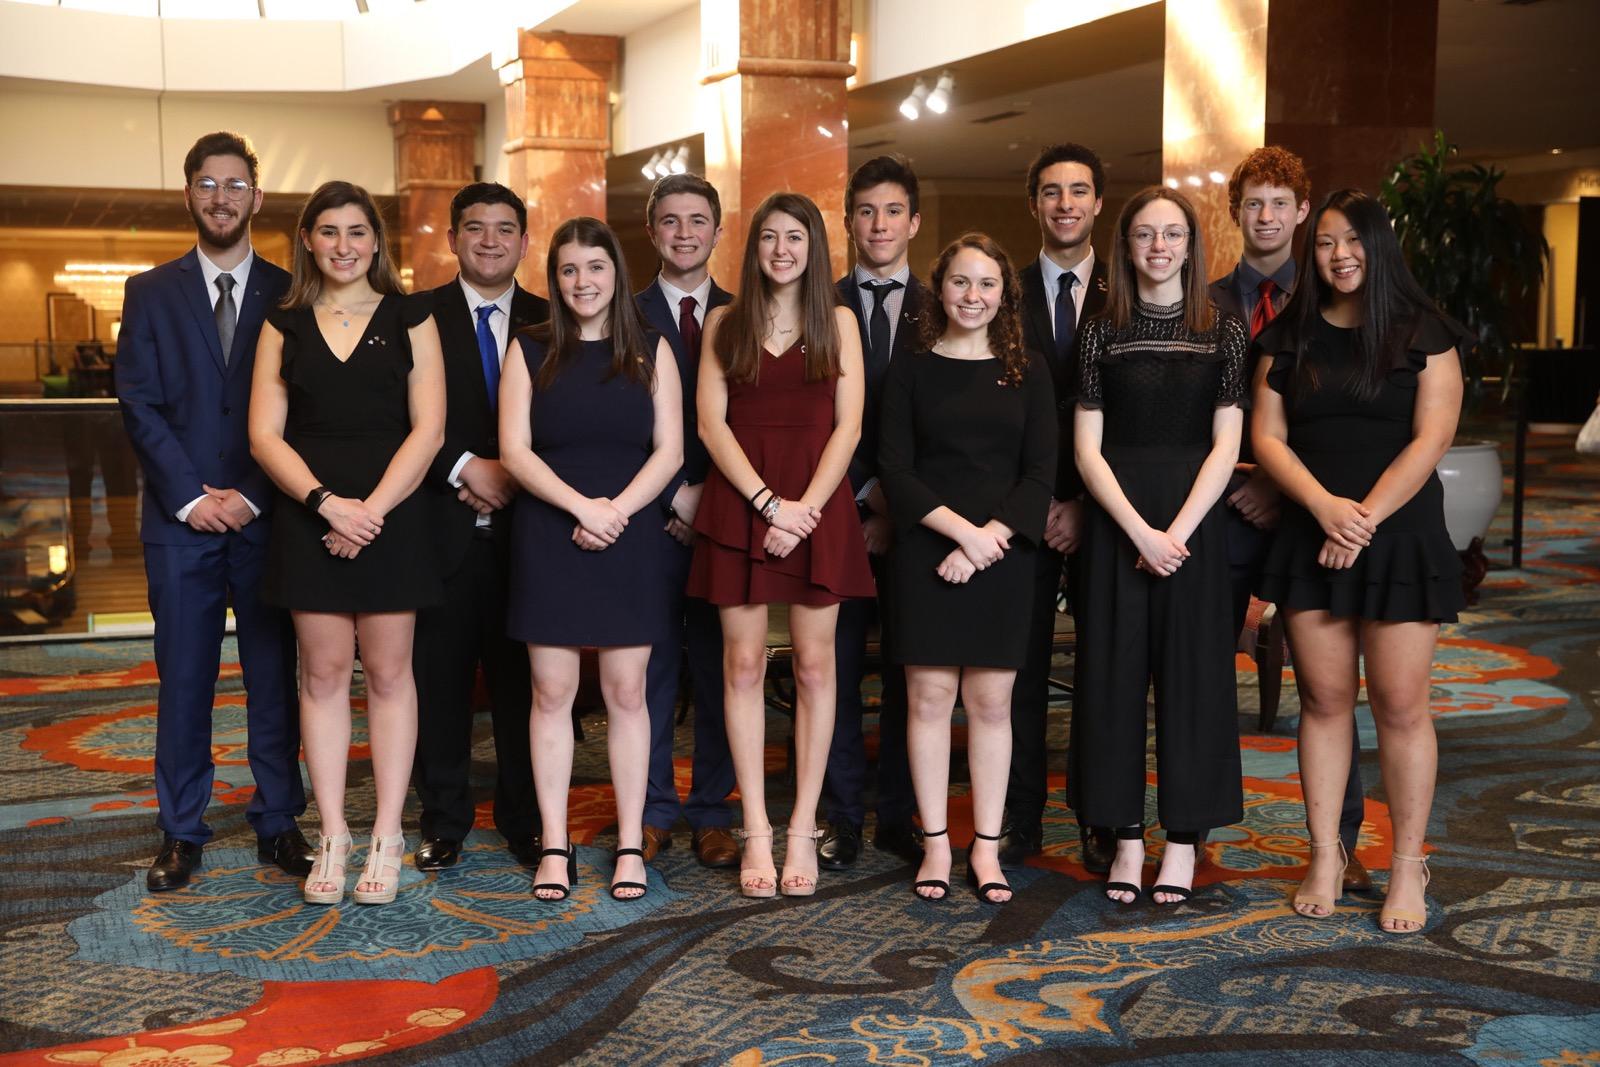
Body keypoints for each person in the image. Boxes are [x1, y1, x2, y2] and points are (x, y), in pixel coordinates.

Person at [1253, 188, 1467, 934]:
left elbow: (1432, 437)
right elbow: (1267, 437)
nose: (1339, 255)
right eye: (1325, 242)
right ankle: (1326, 855)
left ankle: (1407, 863)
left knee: (1401, 706)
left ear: (1379, 246)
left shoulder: (1425, 331)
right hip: (1312, 532)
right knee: (1324, 701)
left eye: (1353, 241)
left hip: (1398, 537)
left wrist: (1361, 519)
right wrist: (1325, 508)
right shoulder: (1290, 334)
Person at [116, 131, 312, 892]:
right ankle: (181, 830)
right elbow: (138, 403)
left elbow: (306, 409)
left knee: (275, 675)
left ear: (256, 197)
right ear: (188, 194)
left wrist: (256, 493)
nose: (221, 198)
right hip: (180, 523)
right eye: (207, 184)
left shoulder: (292, 292)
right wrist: (193, 497)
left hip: (268, 518)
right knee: (184, 680)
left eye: (235, 185)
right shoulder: (149, 292)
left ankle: (279, 819)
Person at [249, 180, 446, 906]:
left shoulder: (412, 315)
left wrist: (370, 514)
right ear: (307, 240)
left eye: (357, 231)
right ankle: (333, 832)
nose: (343, 245)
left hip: (393, 517)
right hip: (312, 516)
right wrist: (329, 506)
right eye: (328, 231)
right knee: (324, 676)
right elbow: (264, 435)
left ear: (376, 241)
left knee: (390, 676)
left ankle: (388, 834)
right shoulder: (283, 324)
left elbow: (429, 429)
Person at [688, 191, 875, 898]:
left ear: (814, 246)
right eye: (769, 237)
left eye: (795, 237)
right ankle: (756, 829)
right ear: (754, 246)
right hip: (741, 504)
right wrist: (768, 504)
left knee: (817, 668)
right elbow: (711, 424)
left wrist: (804, 512)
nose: (781, 250)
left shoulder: (840, 322)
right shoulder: (725, 321)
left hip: (817, 505)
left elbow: (849, 427)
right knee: (740, 665)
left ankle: (801, 827)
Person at [1069, 186, 1248, 906]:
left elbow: (1227, 444)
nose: (1159, 247)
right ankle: (1124, 838)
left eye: (1172, 234)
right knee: (1111, 679)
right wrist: (1139, 531)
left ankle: (1181, 841)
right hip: (1117, 520)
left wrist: (1176, 532)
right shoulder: (1100, 330)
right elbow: (1086, 449)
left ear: (1191, 244)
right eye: (1145, 234)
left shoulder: (1223, 329)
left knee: (1194, 680)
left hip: (1194, 519)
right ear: (1126, 244)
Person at [499, 217, 683, 903]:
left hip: (629, 532)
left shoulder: (652, 348)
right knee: (550, 692)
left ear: (617, 273)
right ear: (555, 278)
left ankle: (631, 842)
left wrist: (616, 512)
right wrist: (582, 508)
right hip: (551, 529)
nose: (583, 281)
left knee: (628, 693)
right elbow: (514, 450)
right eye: (569, 269)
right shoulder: (530, 347)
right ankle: (555, 844)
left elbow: (669, 449)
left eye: (595, 267)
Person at [1210, 147, 1371, 894]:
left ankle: (1340, 843)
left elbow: (1351, 419)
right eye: (1254, 203)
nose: (1267, 216)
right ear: (1235, 212)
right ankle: (1194, 830)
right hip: (1221, 513)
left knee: (1329, 688)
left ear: (1302, 212)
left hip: (1313, 515)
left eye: (1280, 203)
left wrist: (1282, 488)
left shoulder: (1338, 295)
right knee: (1200, 673)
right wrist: (1242, 483)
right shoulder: (1204, 301)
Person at [878, 233, 1057, 905]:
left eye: (987, 284)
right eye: (960, 282)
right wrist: (962, 535)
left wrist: (989, 539)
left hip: (1004, 556)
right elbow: (895, 470)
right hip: (926, 551)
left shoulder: (1030, 369)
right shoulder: (910, 368)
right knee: (926, 701)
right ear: (940, 289)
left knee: (990, 704)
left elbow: (1041, 471)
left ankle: (984, 846)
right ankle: (934, 843)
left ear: (1004, 295)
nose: (972, 295)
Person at [411, 183, 550, 873]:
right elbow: (396, 415)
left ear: (525, 241)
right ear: (452, 238)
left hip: (534, 535)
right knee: (440, 685)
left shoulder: (555, 317)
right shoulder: (417, 317)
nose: (489, 241)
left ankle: (528, 821)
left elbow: (572, 421)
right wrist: (465, 467)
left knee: (527, 686)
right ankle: (443, 820)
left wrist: (515, 475)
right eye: (475, 227)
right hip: (441, 529)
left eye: (504, 229)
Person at [1003, 142, 1113, 873]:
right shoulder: (1001, 291)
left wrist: (1083, 503)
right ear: (1034, 204)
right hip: (1023, 511)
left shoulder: (1132, 289)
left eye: (1078, 191)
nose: (1065, 203)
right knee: (1019, 671)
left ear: (1098, 202)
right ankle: (1020, 818)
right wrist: (1042, 500)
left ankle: (1100, 819)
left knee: (1104, 671)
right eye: (1051, 191)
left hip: (1110, 512)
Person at [823, 155, 927, 871]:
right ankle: (840, 816)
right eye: (866, 212)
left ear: (913, 221)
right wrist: (861, 497)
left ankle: (898, 813)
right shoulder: (817, 303)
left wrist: (896, 503)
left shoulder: (946, 304)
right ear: (849, 222)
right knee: (829, 672)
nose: (879, 225)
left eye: (892, 211)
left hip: (916, 524)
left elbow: (945, 419)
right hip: (835, 515)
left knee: (909, 672)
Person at [635, 173, 740, 869]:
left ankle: (711, 811)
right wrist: (674, 495)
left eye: (697, 220)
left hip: (728, 520)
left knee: (722, 668)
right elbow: (615, 423)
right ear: (652, 232)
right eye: (670, 221)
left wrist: (710, 499)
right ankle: (650, 809)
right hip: (647, 519)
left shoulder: (745, 313)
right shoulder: (621, 311)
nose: (684, 233)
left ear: (717, 230)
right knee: (649, 671)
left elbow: (755, 423)